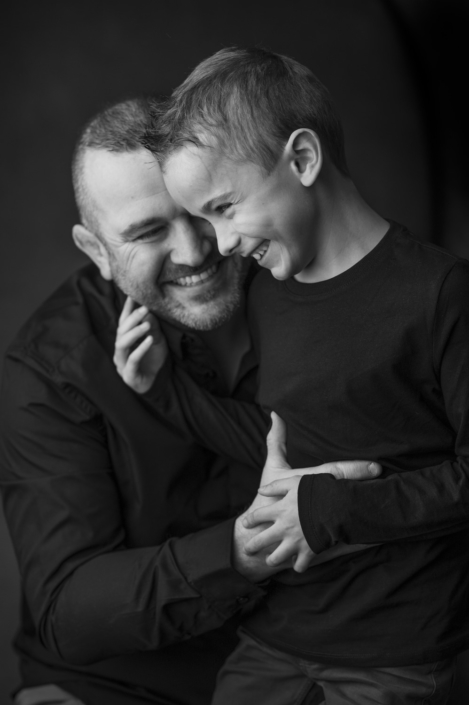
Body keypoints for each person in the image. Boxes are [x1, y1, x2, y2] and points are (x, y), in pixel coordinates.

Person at [0, 96, 375, 705]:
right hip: (116, 687)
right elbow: (68, 610)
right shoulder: (51, 366)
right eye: (148, 232)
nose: (195, 252)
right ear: (96, 250)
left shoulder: (305, 281)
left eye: (200, 213)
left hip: (311, 665)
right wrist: (239, 553)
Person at [126, 47, 469, 703]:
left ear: (303, 160)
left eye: (224, 207)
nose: (219, 244)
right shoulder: (265, 292)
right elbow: (278, 441)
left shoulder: (439, 293)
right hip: (277, 635)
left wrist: (335, 509)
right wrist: (164, 392)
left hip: (400, 653)